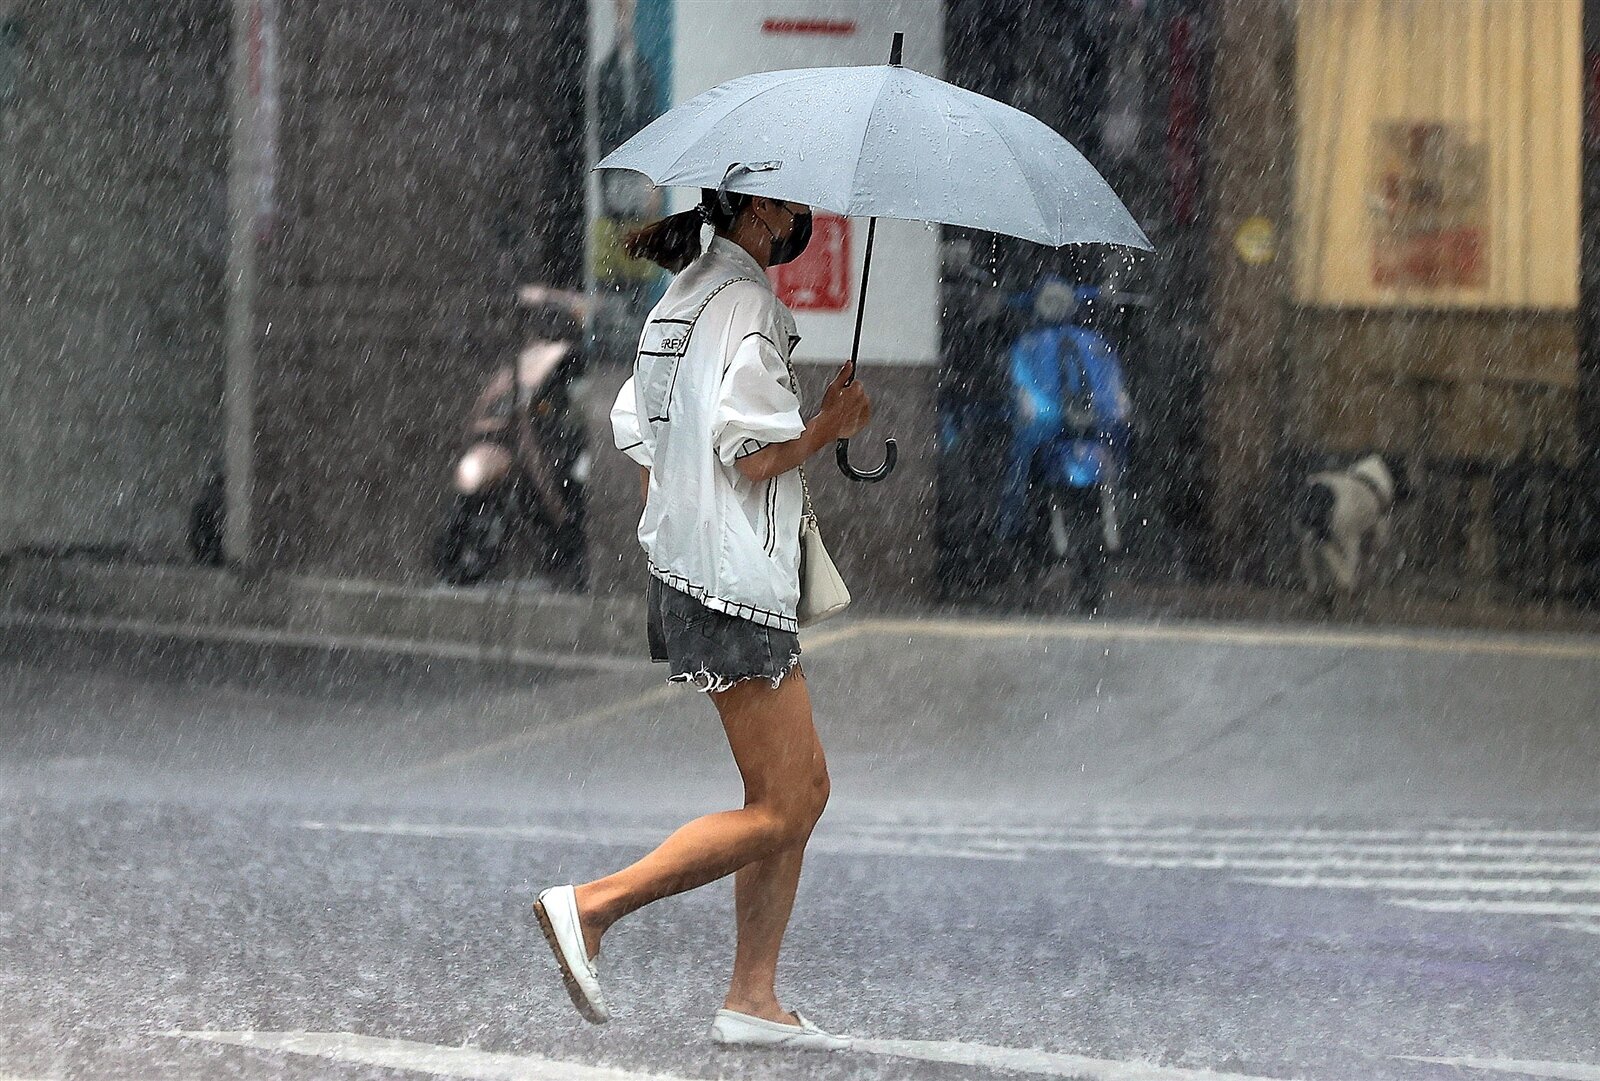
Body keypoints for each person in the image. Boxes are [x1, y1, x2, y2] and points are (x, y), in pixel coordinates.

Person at [532, 186, 871, 1052]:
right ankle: (594, 906)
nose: (802, 220)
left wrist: (681, 526)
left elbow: (637, 437)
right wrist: (828, 425)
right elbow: (753, 454)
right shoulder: (748, 303)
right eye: (791, 207)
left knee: (787, 791)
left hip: (694, 572)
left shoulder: (677, 299)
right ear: (757, 209)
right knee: (795, 799)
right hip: (732, 583)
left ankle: (752, 996)